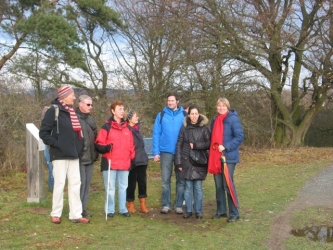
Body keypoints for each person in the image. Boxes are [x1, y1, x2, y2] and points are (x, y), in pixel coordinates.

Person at [39, 85, 90, 224]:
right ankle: (56, 213)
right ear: (64, 96)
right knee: (60, 184)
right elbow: (43, 133)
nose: (74, 97)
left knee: (75, 184)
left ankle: (76, 214)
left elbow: (77, 135)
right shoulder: (53, 111)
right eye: (72, 95)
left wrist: (78, 149)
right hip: (59, 155)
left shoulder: (71, 112)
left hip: (73, 155)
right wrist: (57, 144)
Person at [95, 100, 135, 217]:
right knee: (110, 188)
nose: (122, 111)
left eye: (123, 109)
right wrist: (107, 147)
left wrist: (131, 157)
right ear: (113, 111)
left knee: (123, 187)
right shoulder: (106, 127)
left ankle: (123, 209)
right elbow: (98, 144)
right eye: (119, 109)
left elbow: (132, 145)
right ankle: (110, 210)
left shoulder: (127, 128)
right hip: (110, 162)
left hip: (124, 162)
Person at [208, 97, 244, 223]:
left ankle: (234, 213)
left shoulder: (233, 119)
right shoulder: (215, 119)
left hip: (228, 157)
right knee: (218, 186)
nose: (221, 108)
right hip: (216, 157)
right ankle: (221, 210)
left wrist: (226, 146)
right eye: (219, 105)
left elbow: (239, 137)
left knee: (227, 185)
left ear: (227, 107)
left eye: (223, 106)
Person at [152, 92, 187, 214]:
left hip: (180, 153)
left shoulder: (184, 115)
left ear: (177, 101)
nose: (170, 102)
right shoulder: (161, 115)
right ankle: (166, 204)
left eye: (172, 100)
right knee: (165, 180)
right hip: (165, 152)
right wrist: (156, 152)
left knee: (181, 180)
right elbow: (156, 133)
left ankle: (178, 205)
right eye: (168, 100)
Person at [175, 105, 211, 219]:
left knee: (198, 188)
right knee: (188, 187)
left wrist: (196, 145)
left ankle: (198, 211)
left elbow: (209, 143)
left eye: (196, 113)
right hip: (186, 161)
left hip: (199, 161)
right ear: (188, 115)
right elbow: (179, 145)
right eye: (192, 114)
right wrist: (178, 162)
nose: (194, 116)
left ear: (199, 114)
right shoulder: (184, 128)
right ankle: (189, 210)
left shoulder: (204, 128)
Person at [76, 95, 98, 218]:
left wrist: (96, 152)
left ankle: (83, 208)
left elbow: (95, 136)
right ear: (80, 104)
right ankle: (76, 209)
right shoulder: (73, 117)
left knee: (87, 184)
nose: (91, 107)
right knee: (80, 184)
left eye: (91, 104)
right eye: (88, 104)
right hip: (79, 157)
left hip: (90, 157)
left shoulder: (91, 119)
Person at [125, 109, 149, 214]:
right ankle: (130, 202)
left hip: (141, 159)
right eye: (135, 116)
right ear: (129, 118)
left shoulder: (137, 129)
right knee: (131, 182)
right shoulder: (127, 130)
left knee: (142, 182)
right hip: (132, 160)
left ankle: (142, 203)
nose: (137, 118)